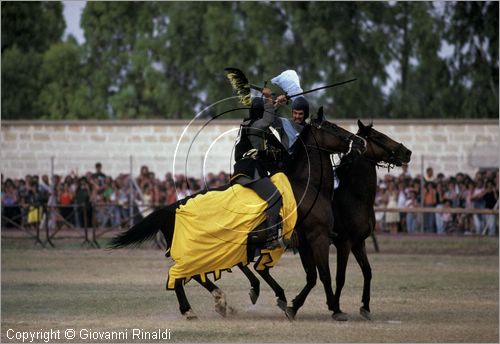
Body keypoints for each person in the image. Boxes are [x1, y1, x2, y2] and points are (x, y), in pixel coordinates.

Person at [231, 87, 287, 249]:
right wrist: (269, 99)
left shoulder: (250, 123)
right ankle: (270, 238)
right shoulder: (256, 126)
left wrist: (277, 103)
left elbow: (265, 114)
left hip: (245, 170)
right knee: (276, 198)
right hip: (249, 171)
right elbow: (267, 119)